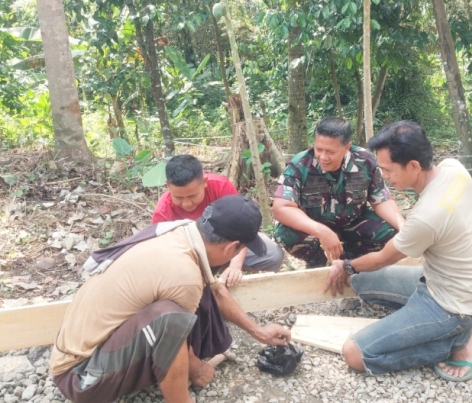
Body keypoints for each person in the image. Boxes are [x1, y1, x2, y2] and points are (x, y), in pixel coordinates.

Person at [50, 195, 291, 403]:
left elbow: (216, 291)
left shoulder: (181, 233)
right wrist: (197, 369)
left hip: (82, 352)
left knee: (188, 303)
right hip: (80, 377)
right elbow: (174, 335)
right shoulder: (184, 275)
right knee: (171, 319)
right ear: (231, 248)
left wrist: (258, 331)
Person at [324, 120, 472, 382]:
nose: (384, 176)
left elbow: (382, 259)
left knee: (355, 354)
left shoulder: (427, 216)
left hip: (453, 305)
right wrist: (352, 271)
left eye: (388, 169)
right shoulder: (454, 168)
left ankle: (456, 339)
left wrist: (346, 265)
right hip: (443, 283)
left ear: (414, 166)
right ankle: (457, 328)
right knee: (360, 280)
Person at [273, 116, 404, 268]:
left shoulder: (365, 161)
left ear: (347, 147)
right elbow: (281, 208)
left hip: (353, 224)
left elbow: (381, 199)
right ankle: (317, 264)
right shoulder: (300, 164)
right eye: (318, 149)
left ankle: (351, 262)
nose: (323, 157)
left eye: (330, 152)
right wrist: (321, 231)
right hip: (313, 226)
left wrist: (404, 227)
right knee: (285, 232)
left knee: (391, 229)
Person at [153, 154, 284, 286]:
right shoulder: (163, 212)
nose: (187, 203)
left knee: (273, 255)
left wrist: (235, 266)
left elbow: (241, 227)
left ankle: (225, 268)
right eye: (179, 198)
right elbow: (164, 253)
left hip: (228, 245)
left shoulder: (221, 187)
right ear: (167, 185)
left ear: (204, 182)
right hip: (190, 255)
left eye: (193, 196)